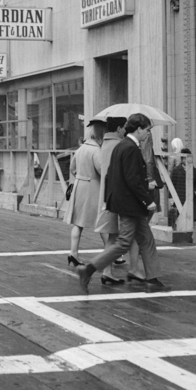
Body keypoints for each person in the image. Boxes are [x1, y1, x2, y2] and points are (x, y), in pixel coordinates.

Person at [77, 113, 170, 294]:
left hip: (127, 203)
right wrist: (147, 200)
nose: (149, 134)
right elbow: (132, 179)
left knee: (146, 240)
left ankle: (153, 279)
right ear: (139, 129)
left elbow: (113, 174)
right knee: (124, 242)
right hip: (131, 205)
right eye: (147, 130)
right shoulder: (130, 148)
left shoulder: (121, 146)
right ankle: (88, 269)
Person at [94, 117, 140, 285]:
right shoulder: (119, 145)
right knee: (128, 234)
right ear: (119, 128)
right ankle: (133, 270)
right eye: (124, 128)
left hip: (108, 193)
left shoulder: (105, 144)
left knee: (113, 235)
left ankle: (108, 271)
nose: (125, 131)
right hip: (119, 195)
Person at [64, 121, 106, 267]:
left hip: (79, 185)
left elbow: (72, 168)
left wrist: (80, 175)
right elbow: (102, 170)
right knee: (103, 222)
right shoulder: (96, 150)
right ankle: (112, 254)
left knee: (78, 223)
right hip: (92, 187)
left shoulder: (80, 149)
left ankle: (73, 254)